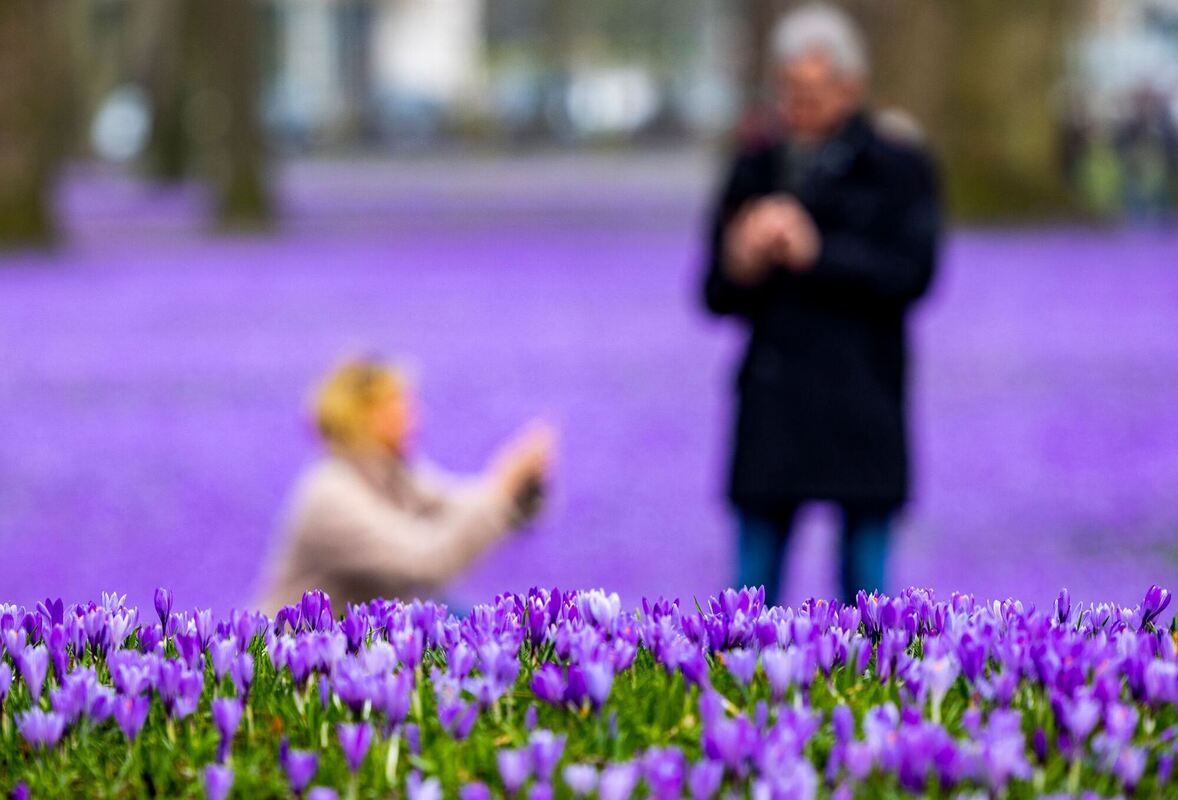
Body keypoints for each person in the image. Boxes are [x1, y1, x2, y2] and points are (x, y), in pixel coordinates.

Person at [700, 3, 941, 606]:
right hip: (774, 399)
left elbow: (913, 275)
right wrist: (744, 259)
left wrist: (816, 252)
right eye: (789, 91)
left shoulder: (897, 166)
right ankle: (744, 692)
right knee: (751, 593)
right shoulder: (756, 165)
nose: (799, 107)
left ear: (850, 87)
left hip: (862, 396)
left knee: (868, 592)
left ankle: (874, 690)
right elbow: (712, 294)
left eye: (813, 92)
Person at [257, 358, 554, 614]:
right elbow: (428, 560)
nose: (414, 415)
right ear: (365, 416)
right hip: (298, 651)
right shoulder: (331, 493)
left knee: (462, 613)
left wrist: (520, 492)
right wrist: (503, 484)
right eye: (399, 404)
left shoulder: (394, 474)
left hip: (360, 645)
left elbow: (457, 504)